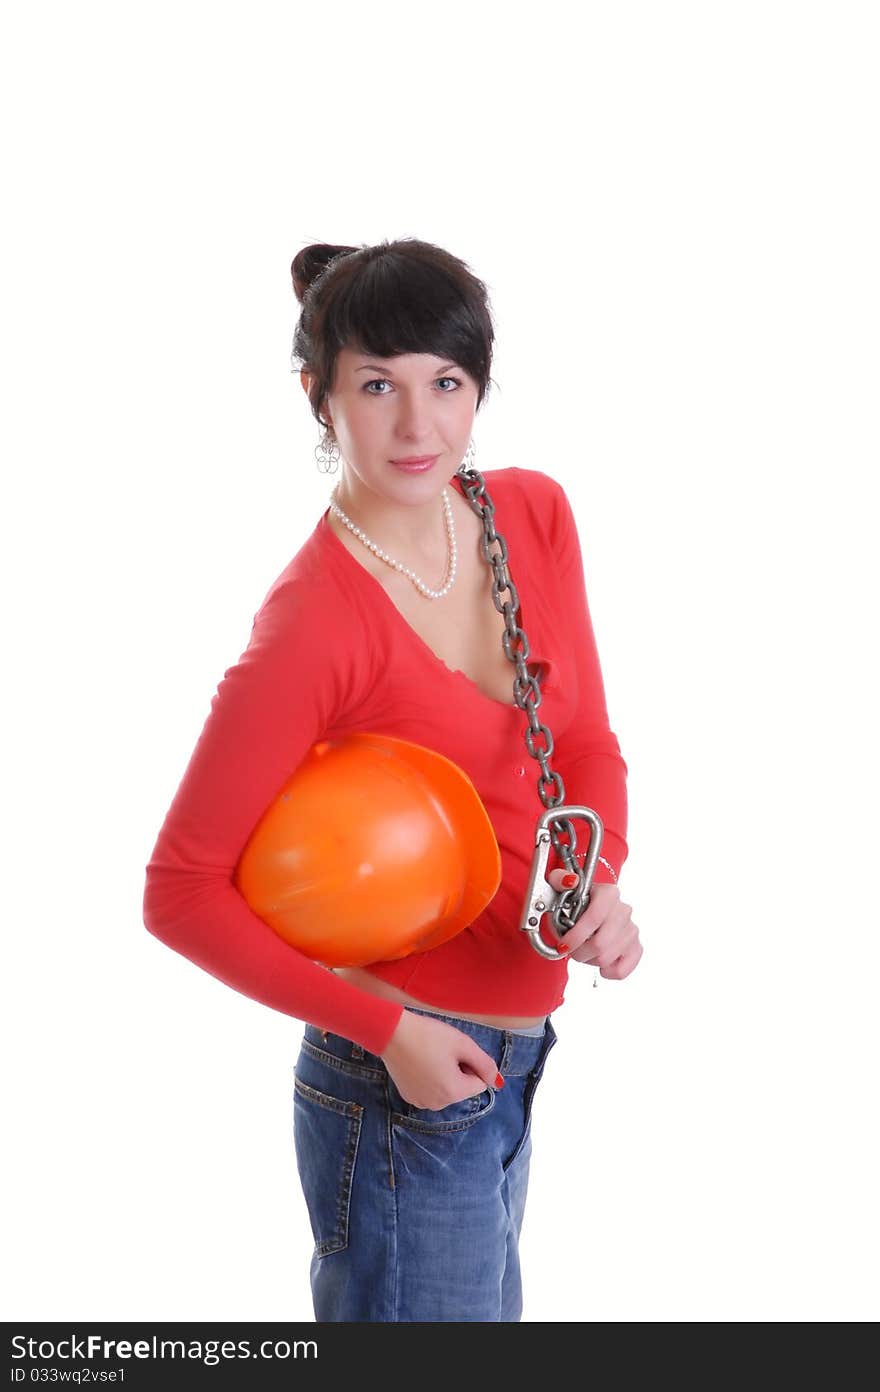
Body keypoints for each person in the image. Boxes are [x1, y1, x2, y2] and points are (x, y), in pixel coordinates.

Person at [142, 237, 643, 1322]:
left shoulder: (531, 516)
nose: (418, 427)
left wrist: (590, 886)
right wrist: (390, 1035)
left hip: (516, 1050)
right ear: (320, 397)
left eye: (445, 384)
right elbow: (179, 891)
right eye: (377, 386)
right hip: (400, 1074)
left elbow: (588, 744)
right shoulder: (313, 624)